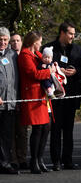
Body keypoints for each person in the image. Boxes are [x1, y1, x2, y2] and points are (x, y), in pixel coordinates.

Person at [43, 22, 81, 171]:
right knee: (56, 130)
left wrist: (75, 71)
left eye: (74, 34)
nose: (73, 36)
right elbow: (43, 66)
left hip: (71, 95)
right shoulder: (49, 48)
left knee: (69, 130)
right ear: (62, 33)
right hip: (55, 95)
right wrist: (55, 70)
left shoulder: (77, 49)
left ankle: (68, 160)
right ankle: (56, 161)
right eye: (70, 33)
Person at [18, 31, 57, 174]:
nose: (41, 44)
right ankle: (34, 160)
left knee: (46, 126)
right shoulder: (25, 55)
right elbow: (34, 74)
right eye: (40, 41)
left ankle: (40, 159)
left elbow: (48, 62)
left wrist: (55, 67)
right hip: (33, 96)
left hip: (42, 97)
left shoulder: (37, 55)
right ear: (34, 42)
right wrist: (49, 72)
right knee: (37, 128)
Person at [0, 27, 20, 175]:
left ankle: (5, 162)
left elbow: (16, 78)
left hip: (10, 102)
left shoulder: (13, 55)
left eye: (5, 40)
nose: (3, 42)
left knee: (7, 134)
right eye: (0, 39)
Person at [8, 33, 29, 170]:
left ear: (22, 42)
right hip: (10, 98)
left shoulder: (25, 56)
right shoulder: (8, 56)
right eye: (13, 41)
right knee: (11, 131)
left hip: (24, 97)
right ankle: (13, 159)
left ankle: (22, 158)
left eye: (18, 40)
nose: (15, 43)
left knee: (23, 131)